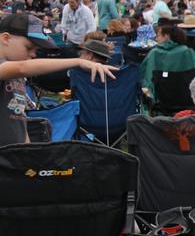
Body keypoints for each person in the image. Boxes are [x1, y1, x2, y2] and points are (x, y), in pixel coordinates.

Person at [1, 13, 116, 146]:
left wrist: (27, 149)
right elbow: (22, 68)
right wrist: (78, 62)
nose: (33, 54)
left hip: (13, 155)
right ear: (6, 38)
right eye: (29, 47)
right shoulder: (16, 68)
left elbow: (20, 119)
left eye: (36, 50)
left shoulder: (16, 71)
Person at [138, 20, 195, 102]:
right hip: (188, 99)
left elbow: (146, 78)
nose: (156, 39)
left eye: (158, 36)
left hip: (162, 101)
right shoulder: (188, 52)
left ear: (166, 36)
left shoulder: (154, 53)